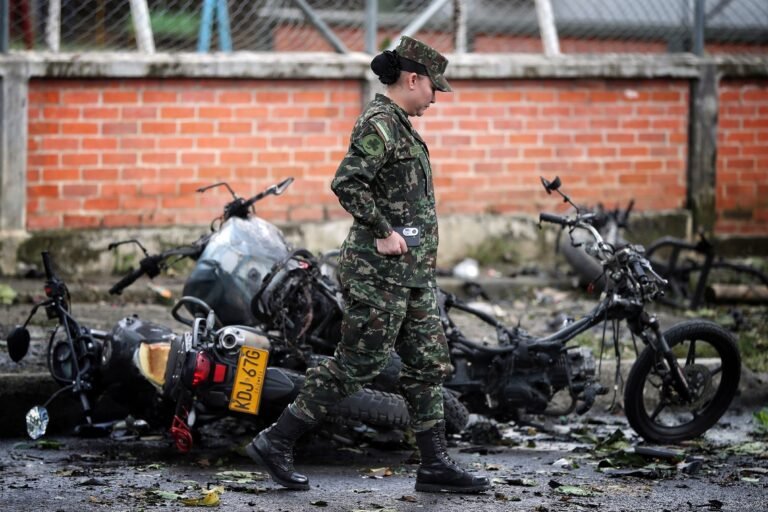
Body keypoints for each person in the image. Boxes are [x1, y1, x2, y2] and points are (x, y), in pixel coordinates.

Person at [246, 35, 490, 494]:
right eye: (434, 87)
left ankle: (435, 465)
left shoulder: (401, 126)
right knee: (357, 363)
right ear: (412, 79)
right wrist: (382, 232)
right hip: (378, 275)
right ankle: (276, 441)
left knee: (427, 364)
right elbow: (347, 183)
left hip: (411, 274)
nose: (437, 97)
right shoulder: (379, 123)